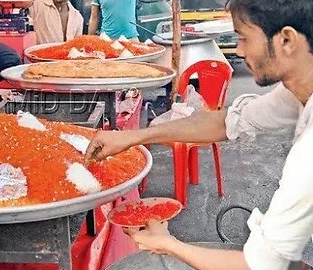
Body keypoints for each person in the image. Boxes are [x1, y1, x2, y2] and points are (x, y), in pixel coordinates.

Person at [85, 0, 313, 269]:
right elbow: (225, 122)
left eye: (243, 38)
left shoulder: (307, 154)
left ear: (286, 40)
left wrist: (168, 244)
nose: (238, 50)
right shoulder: (295, 91)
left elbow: (264, 265)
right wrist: (132, 137)